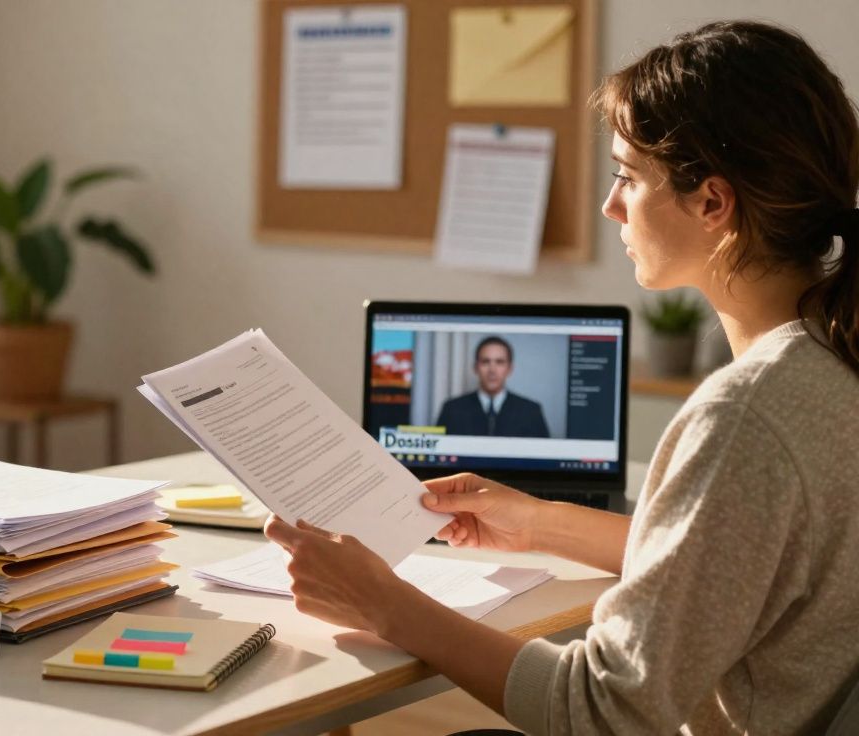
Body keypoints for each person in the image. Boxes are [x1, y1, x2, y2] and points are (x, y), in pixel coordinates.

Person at [265, 20, 859, 734]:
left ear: (712, 204)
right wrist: (538, 523)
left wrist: (385, 603)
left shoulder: (747, 417)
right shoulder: (829, 359)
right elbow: (733, 563)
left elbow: (599, 711)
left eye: (628, 176)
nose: (611, 205)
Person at [434, 337, 551, 437]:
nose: (492, 370)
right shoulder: (452, 409)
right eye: (485, 362)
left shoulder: (531, 412)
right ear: (476, 367)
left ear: (510, 369)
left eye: (499, 362)